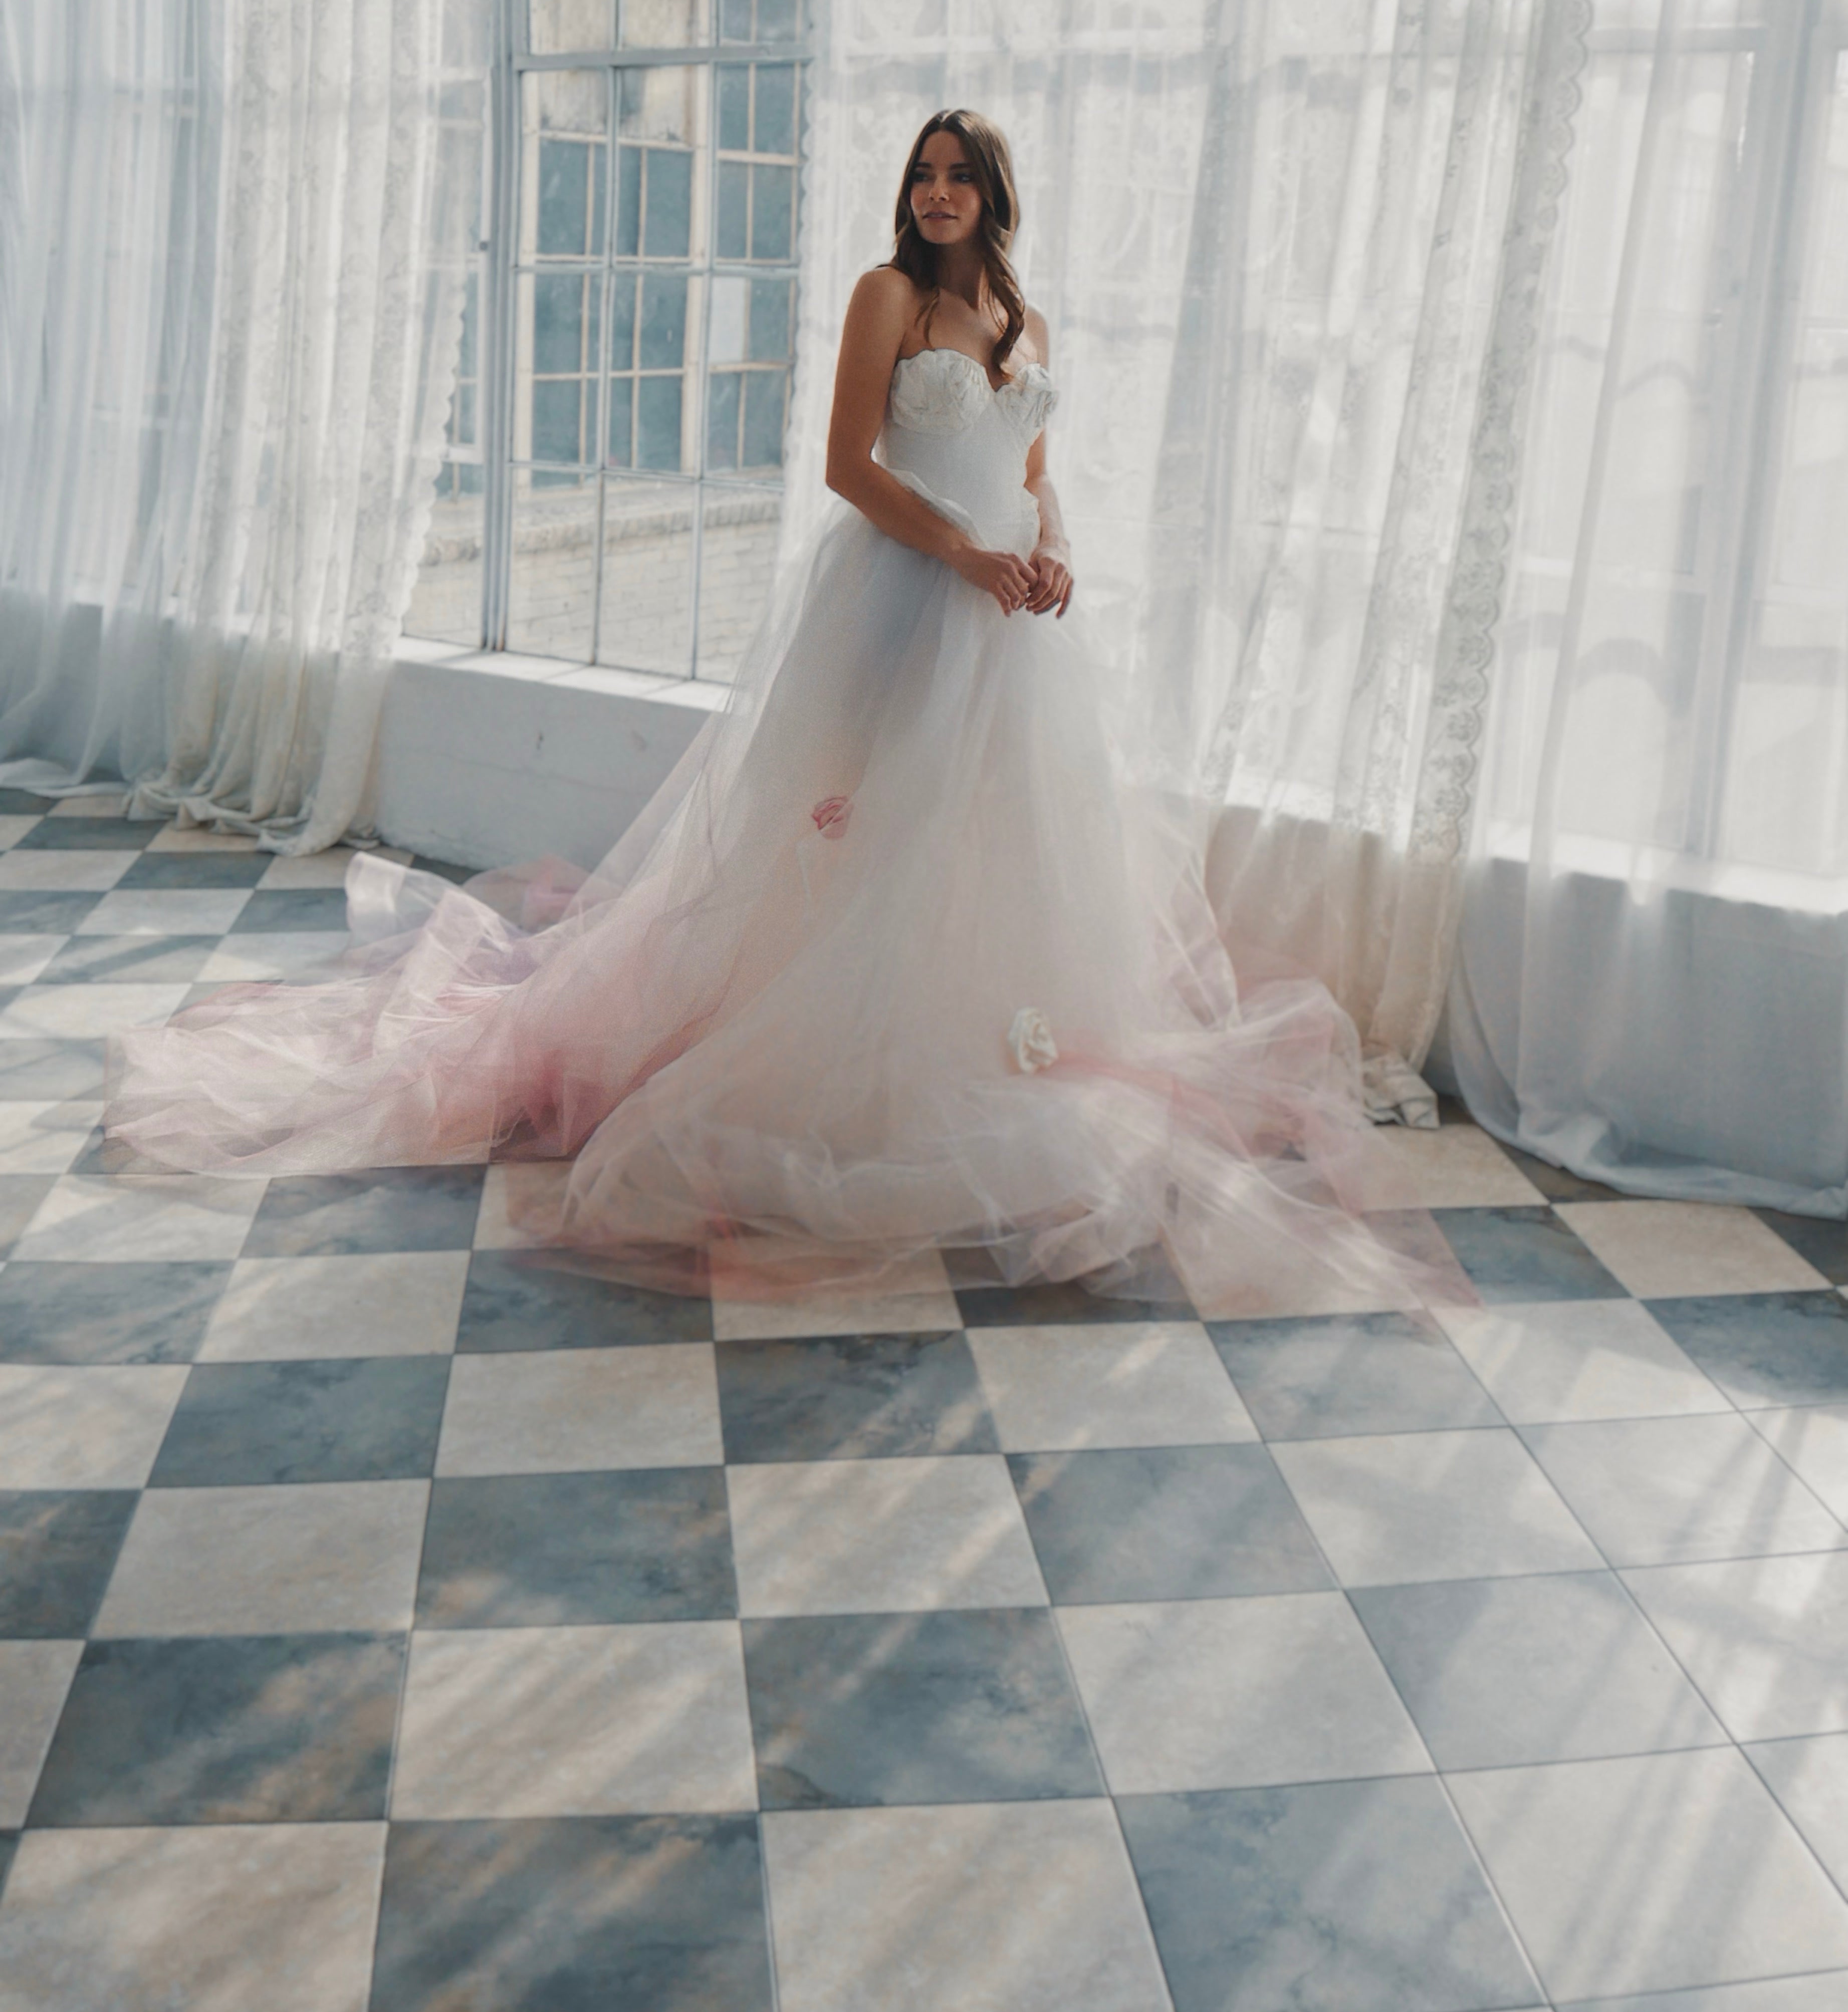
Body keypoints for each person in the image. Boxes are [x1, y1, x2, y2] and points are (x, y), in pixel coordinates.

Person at [107, 109, 1469, 1314]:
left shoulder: (1022, 323)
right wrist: (968, 557)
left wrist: (1052, 553)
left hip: (1014, 624)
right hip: (905, 597)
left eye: (959, 177)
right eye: (923, 177)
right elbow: (847, 467)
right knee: (855, 826)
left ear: (994, 195)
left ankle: (990, 1050)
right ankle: (836, 1061)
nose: (937, 195)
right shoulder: (888, 297)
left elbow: (1033, 467)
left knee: (1000, 847)